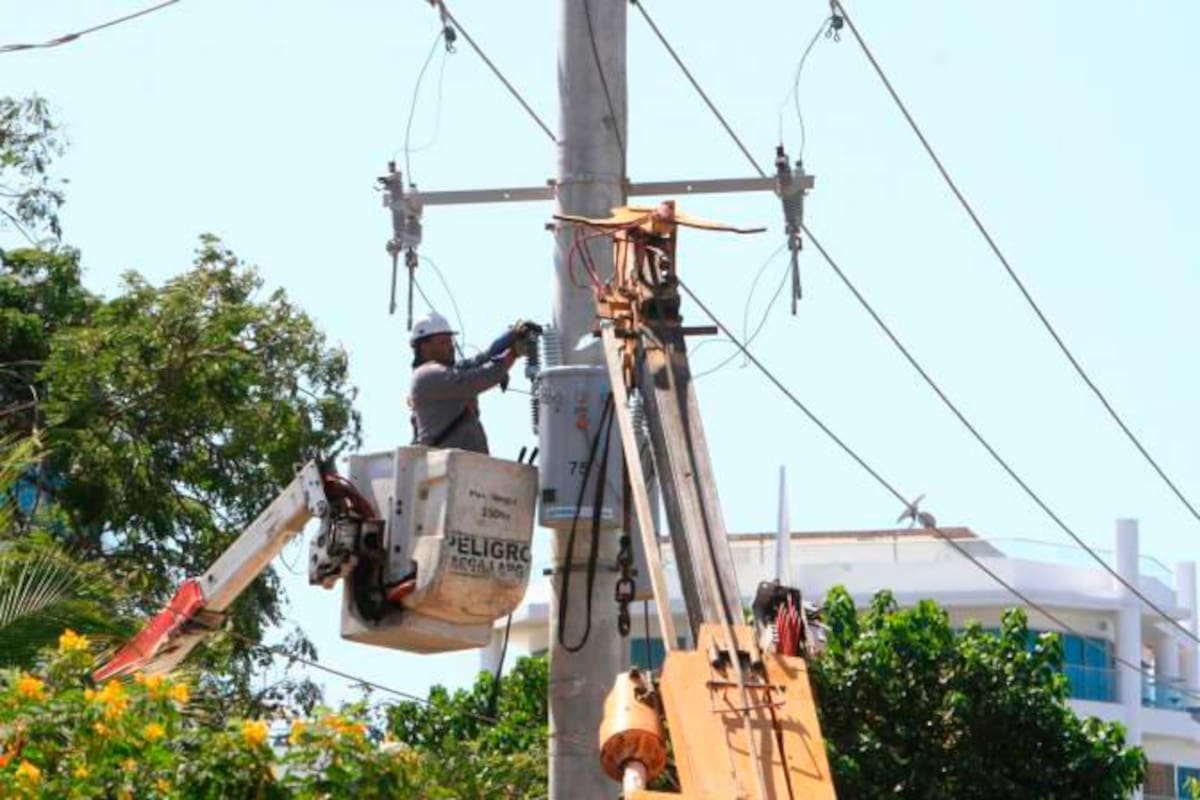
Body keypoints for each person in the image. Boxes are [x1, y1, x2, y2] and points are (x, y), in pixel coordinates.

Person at [408, 312, 537, 454]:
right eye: (443, 342)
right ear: (424, 347)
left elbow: (482, 358)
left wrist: (512, 335)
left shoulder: (449, 371)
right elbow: (477, 378)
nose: (451, 347)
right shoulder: (427, 376)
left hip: (467, 462)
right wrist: (512, 354)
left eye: (451, 341)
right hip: (446, 462)